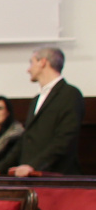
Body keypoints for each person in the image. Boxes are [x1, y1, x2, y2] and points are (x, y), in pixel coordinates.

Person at [11, 45, 85, 176]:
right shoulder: (36, 99)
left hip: (56, 177)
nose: (28, 69)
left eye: (31, 63)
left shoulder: (70, 94)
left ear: (43, 62)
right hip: (32, 176)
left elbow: (64, 139)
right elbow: (26, 140)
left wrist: (33, 166)